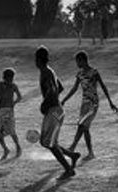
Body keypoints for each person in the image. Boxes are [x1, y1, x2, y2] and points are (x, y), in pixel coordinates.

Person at [61, 50, 118, 160]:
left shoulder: (94, 72)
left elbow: (103, 86)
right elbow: (74, 88)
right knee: (84, 127)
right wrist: (64, 100)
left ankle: (74, 147)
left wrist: (110, 102)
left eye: (77, 61)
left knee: (82, 125)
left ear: (83, 60)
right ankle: (88, 152)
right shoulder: (79, 74)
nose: (77, 64)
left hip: (93, 103)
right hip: (84, 104)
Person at [35, 45, 80, 181]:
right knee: (48, 141)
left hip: (54, 111)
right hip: (56, 110)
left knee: (48, 142)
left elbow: (53, 89)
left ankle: (69, 170)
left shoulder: (45, 72)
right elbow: (60, 88)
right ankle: (72, 156)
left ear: (38, 59)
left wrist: (45, 104)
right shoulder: (50, 71)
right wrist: (51, 102)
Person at [0, 68, 23, 159]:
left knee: (11, 130)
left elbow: (19, 97)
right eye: (9, 77)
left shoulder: (13, 86)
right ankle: (6, 149)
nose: (11, 79)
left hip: (9, 110)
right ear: (4, 77)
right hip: (1, 110)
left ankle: (18, 147)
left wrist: (14, 103)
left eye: (12, 77)